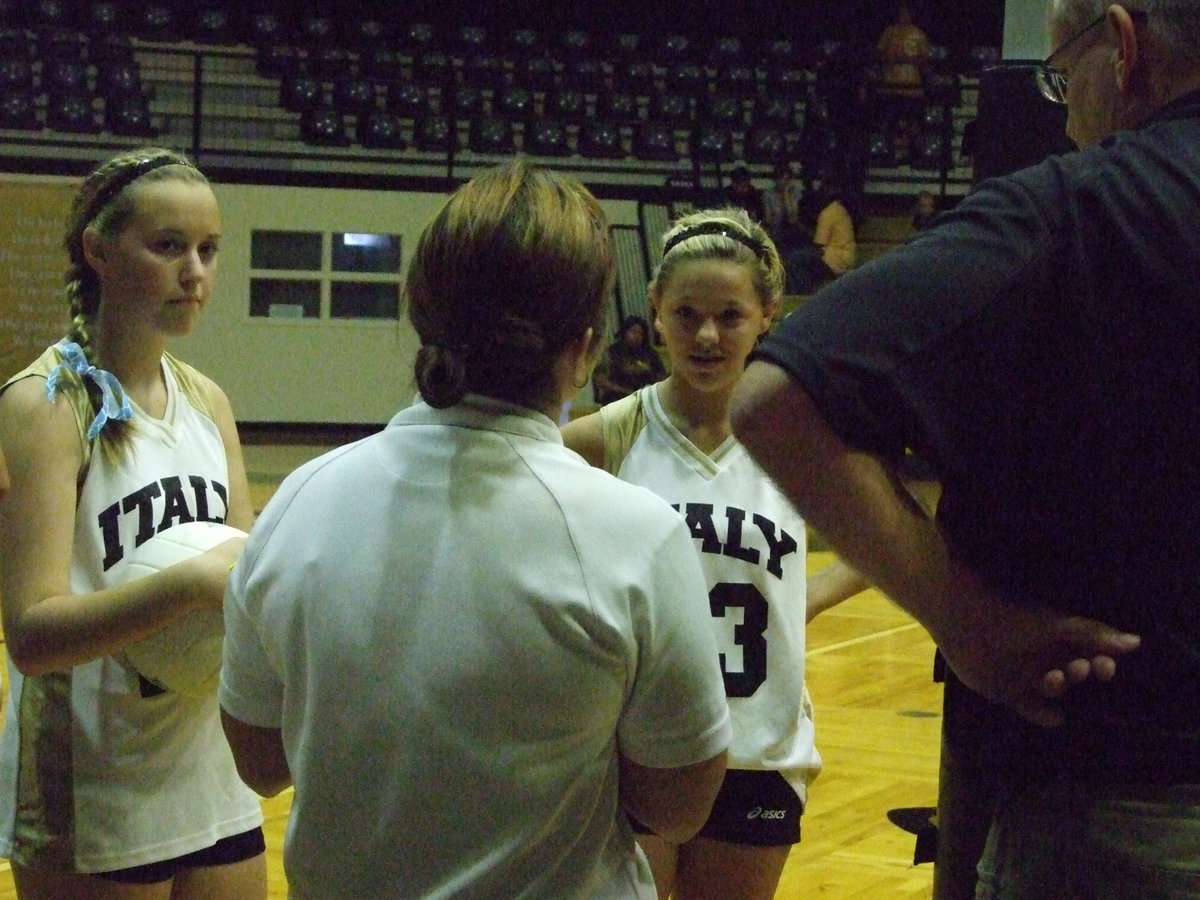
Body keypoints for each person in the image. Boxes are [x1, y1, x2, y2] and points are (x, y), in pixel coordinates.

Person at [731, 0, 1200, 895]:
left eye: (1064, 74)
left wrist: (969, 621)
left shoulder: (1076, 210)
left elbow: (776, 396)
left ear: (1125, 44)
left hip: (1119, 808)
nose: (1064, 116)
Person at [218, 160, 731, 899]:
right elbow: (679, 808)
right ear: (585, 348)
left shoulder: (300, 500)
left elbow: (262, 762)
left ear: (422, 317)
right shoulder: (633, 534)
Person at [0, 148, 266, 898]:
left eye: (209, 250)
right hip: (94, 782)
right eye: (169, 246)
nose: (197, 274)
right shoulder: (45, 406)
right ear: (98, 250)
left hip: (210, 764)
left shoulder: (208, 401)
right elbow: (31, 636)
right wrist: (186, 585)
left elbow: (240, 576)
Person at [561, 208, 820, 900]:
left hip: (759, 750)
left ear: (767, 314)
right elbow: (508, 480)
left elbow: (900, 524)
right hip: (638, 749)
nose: (706, 335)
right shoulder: (614, 435)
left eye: (730, 316)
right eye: (686, 314)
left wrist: (802, 599)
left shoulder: (798, 436)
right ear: (655, 310)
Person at [785, 168, 857, 295]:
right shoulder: (839, 208)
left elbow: (819, 245)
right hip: (845, 256)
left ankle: (801, 294)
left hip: (835, 258)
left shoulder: (828, 213)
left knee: (796, 258)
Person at [592, 314, 667, 405]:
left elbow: (662, 376)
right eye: (633, 331)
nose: (637, 336)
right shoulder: (612, 352)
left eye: (640, 333)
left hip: (645, 397)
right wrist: (626, 391)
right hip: (618, 398)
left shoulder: (650, 353)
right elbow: (601, 380)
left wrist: (647, 372)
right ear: (625, 332)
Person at [761, 162, 804, 254]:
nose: (785, 182)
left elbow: (793, 218)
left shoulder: (794, 193)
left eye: (787, 179)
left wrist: (786, 196)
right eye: (782, 179)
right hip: (776, 230)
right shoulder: (768, 194)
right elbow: (768, 218)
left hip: (792, 231)